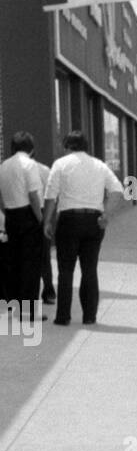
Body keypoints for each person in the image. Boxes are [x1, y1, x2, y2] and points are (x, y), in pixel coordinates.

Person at [42, 130, 125, 326]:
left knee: (65, 270)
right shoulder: (100, 165)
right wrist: (106, 215)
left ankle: (63, 316)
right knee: (89, 269)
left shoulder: (60, 164)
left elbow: (50, 196)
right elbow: (118, 191)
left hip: (69, 220)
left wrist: (47, 221)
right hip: (93, 221)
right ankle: (89, 316)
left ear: (67, 146)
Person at [0, 131, 44, 324]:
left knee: (13, 262)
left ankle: (14, 306)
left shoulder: (3, 166)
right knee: (31, 265)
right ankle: (30, 311)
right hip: (28, 215)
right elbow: (33, 195)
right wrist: (41, 218)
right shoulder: (30, 164)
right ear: (31, 149)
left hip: (10, 215)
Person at [34, 158, 56, 304]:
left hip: (18, 213)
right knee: (44, 256)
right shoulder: (43, 169)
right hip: (41, 211)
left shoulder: (6, 167)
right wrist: (46, 220)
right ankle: (48, 292)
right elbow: (50, 196)